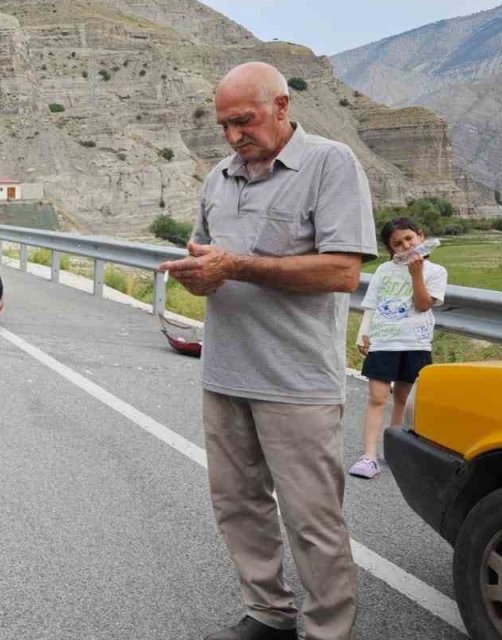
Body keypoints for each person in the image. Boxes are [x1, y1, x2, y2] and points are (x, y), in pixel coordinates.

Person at [159, 61, 377, 640]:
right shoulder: (217, 178)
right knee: (238, 506)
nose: (234, 136)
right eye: (224, 125)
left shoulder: (331, 163)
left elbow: (342, 271)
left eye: (244, 121)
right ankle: (268, 613)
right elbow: (212, 259)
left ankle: (329, 630)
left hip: (297, 381)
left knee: (312, 520)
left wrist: (237, 266)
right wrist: (202, 275)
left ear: (281, 106)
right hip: (225, 373)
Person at [349, 218, 447, 479]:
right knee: (377, 397)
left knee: (403, 398)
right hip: (384, 342)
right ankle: (369, 456)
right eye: (397, 244)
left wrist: (416, 274)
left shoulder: (436, 271)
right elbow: (370, 303)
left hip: (415, 343)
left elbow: (424, 304)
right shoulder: (383, 270)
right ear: (390, 249)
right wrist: (363, 333)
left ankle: (393, 451)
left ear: (421, 236)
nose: (405, 246)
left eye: (409, 239)